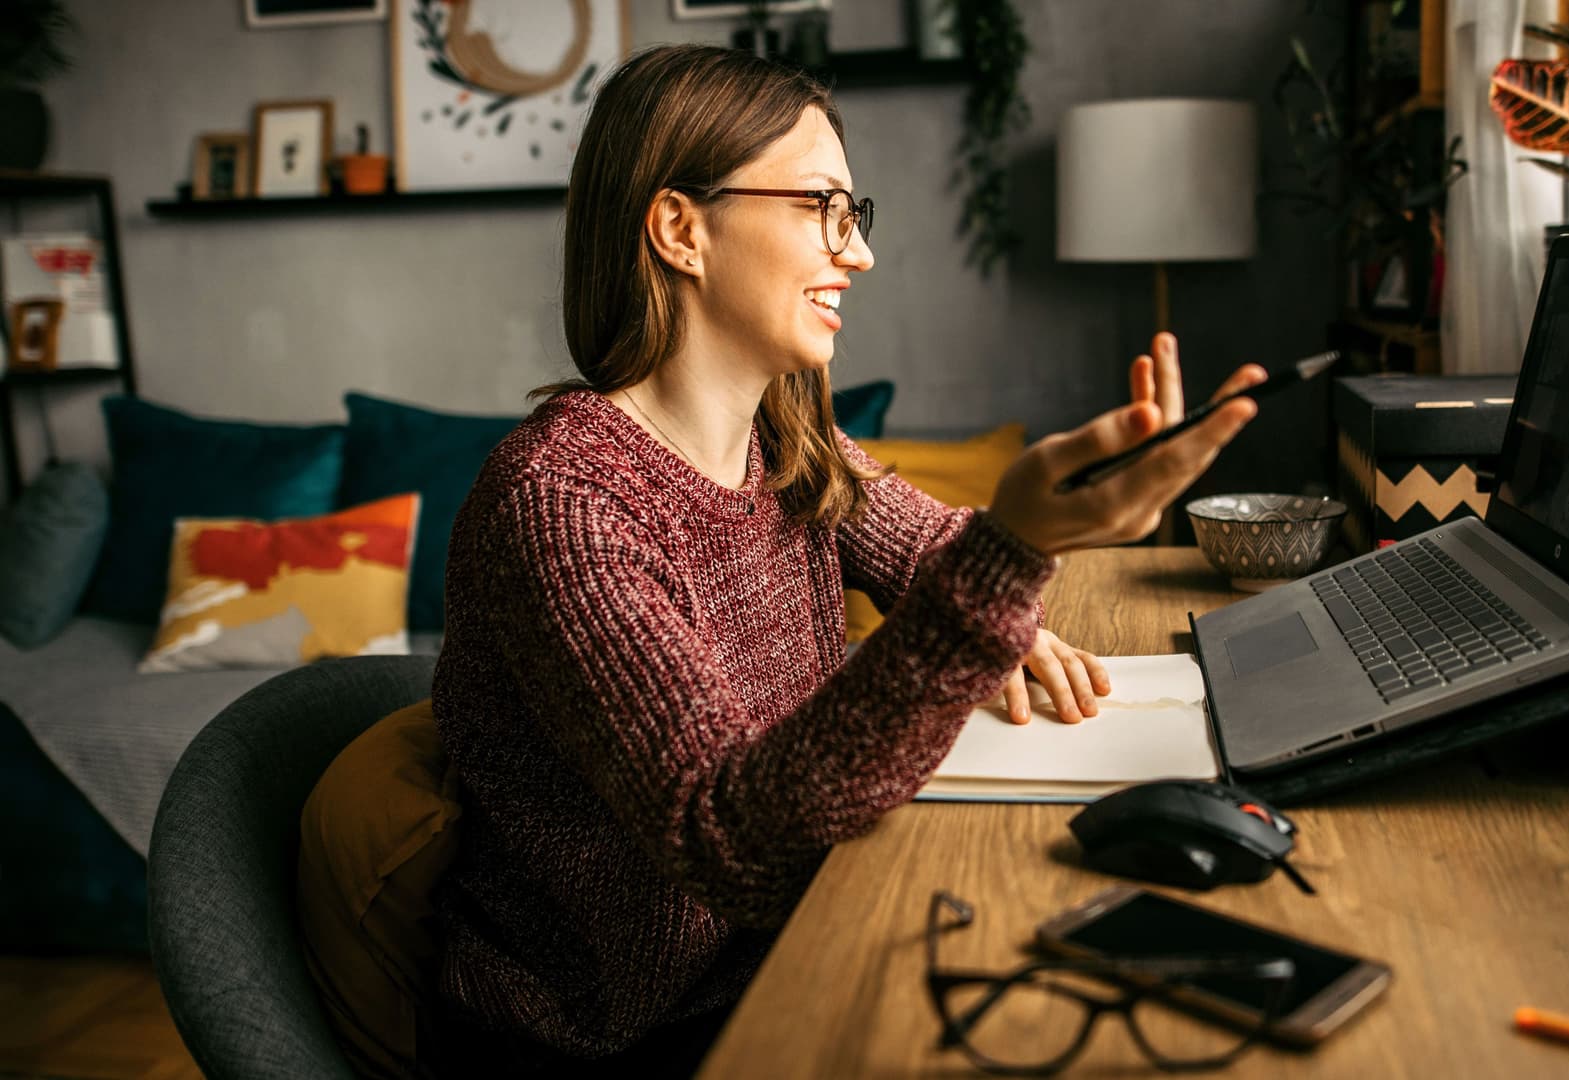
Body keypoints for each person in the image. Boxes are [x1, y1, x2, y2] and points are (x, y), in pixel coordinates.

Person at [422, 43, 1265, 1076]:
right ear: (681, 229)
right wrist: (1009, 559)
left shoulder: (791, 440)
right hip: (617, 1040)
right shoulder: (562, 502)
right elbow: (729, 841)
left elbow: (944, 554)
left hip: (794, 947)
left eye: (852, 212)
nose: (856, 253)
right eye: (821, 207)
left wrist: (1064, 524)